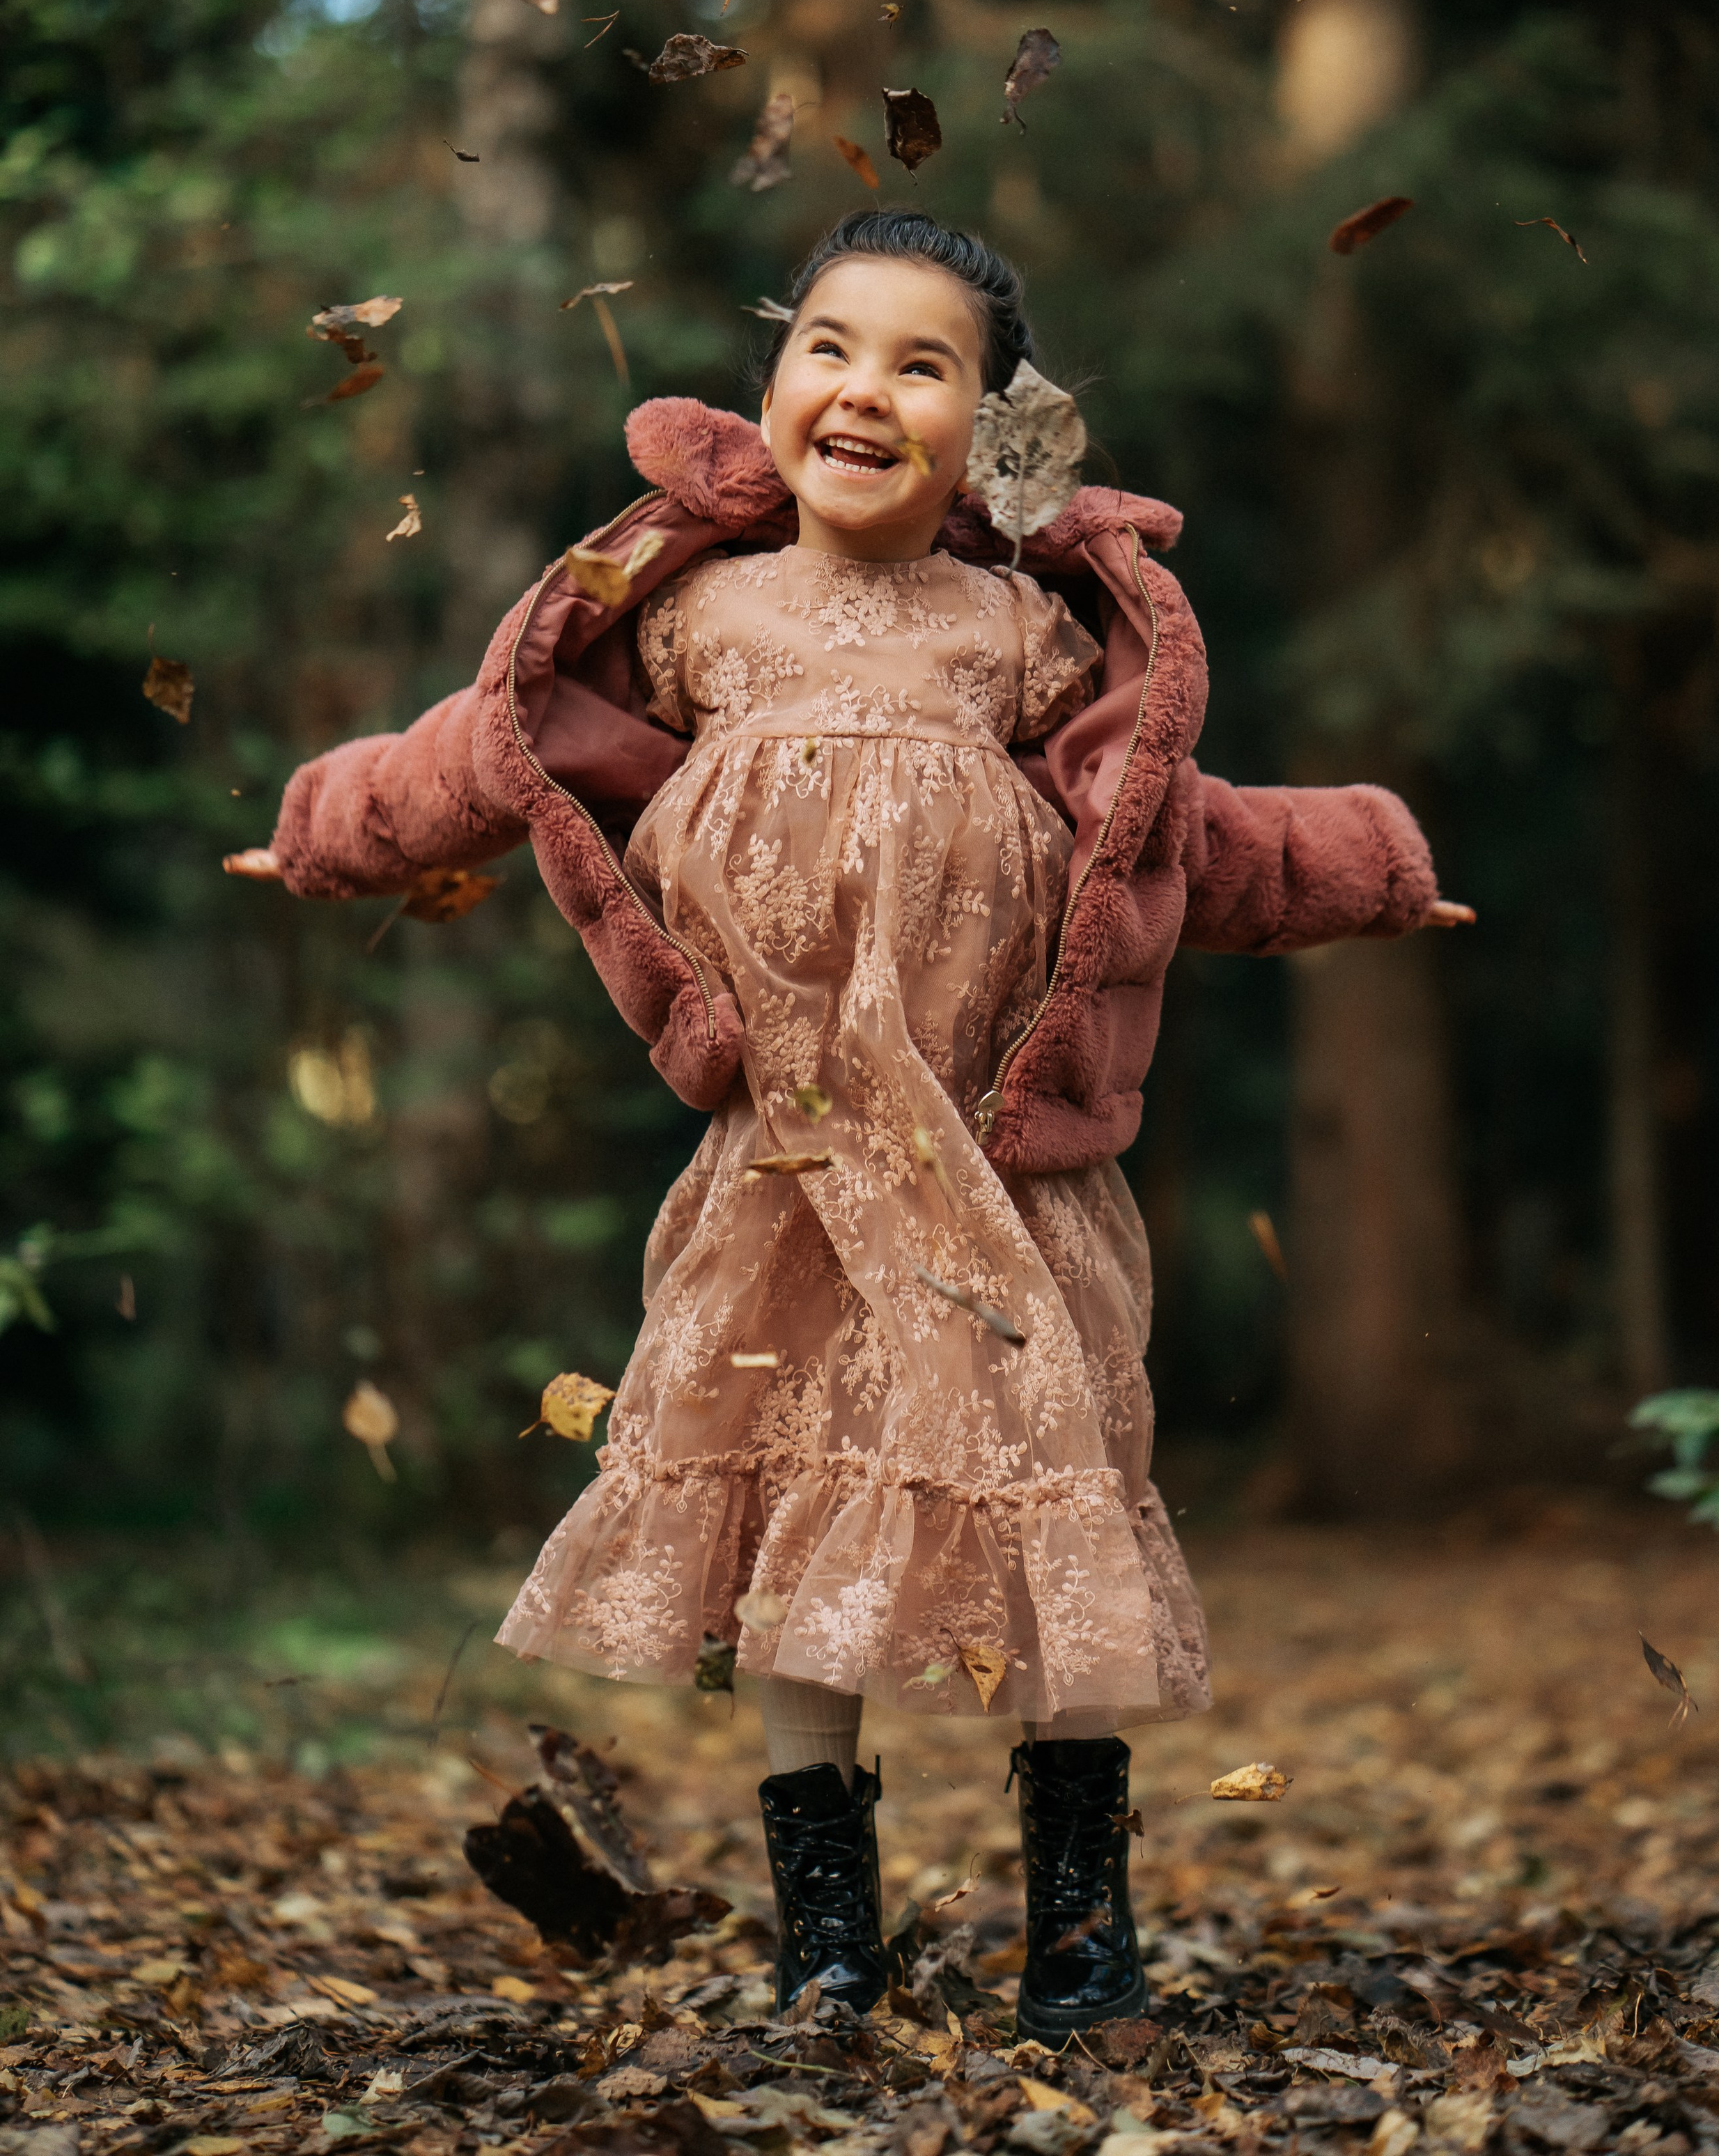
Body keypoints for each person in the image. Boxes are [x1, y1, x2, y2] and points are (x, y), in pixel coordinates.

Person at [227, 210, 1471, 2040]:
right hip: (787, 1180)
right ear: (771, 382)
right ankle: (825, 1930)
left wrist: (1368, 862)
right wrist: (338, 829)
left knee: (1055, 1508)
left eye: (922, 363)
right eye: (828, 344)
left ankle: (1080, 1925)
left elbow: (1171, 836)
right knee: (799, 1533)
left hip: (1000, 1175)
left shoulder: (1027, 636)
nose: (863, 389)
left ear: (993, 424)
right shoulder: (699, 623)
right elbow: (497, 760)